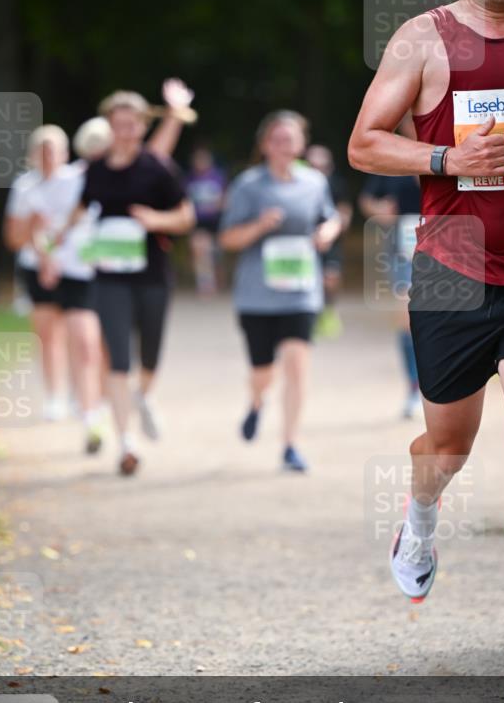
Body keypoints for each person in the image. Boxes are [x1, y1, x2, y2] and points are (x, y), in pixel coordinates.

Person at [348, 0, 504, 703]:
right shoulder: (422, 40)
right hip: (452, 266)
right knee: (447, 446)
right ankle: (423, 516)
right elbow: (365, 144)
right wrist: (444, 161)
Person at [61, 83, 196, 476]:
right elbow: (80, 210)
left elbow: (186, 217)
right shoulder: (97, 169)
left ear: (141, 125)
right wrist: (58, 241)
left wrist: (157, 220)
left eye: (132, 124)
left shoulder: (157, 168)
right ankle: (126, 443)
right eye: (118, 124)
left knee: (150, 354)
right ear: (108, 126)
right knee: (117, 357)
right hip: (108, 278)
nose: (125, 131)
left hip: (153, 275)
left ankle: (144, 395)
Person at [219, 111, 342, 473]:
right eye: (276, 139)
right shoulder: (248, 185)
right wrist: (259, 226)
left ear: (301, 144)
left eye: (290, 139)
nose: (283, 146)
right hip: (257, 295)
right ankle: (256, 402)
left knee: (297, 366)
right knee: (263, 372)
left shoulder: (314, 182)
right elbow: (227, 238)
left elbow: (330, 217)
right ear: (264, 145)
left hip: (301, 291)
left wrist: (328, 234)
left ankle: (290, 444)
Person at [4, 125, 97, 433]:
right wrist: (33, 230)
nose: (48, 157)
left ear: (65, 153)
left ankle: (81, 398)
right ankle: (54, 395)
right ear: (33, 155)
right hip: (37, 269)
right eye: (42, 151)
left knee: (80, 338)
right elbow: (13, 238)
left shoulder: (80, 180)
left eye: (54, 150)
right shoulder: (24, 187)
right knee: (47, 336)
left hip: (75, 269)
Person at [358, 173, 422, 418]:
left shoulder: (456, 143)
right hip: (403, 248)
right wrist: (378, 209)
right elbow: (367, 199)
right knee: (406, 313)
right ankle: (414, 387)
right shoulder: (395, 155)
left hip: (447, 237)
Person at [305, 144, 352, 338]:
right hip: (305, 240)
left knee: (330, 278)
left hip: (330, 239)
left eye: (322, 166)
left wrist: (337, 230)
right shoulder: (300, 184)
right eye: (313, 165)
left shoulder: (337, 183)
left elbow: (344, 210)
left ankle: (328, 309)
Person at [184, 146, 227, 296]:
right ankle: (205, 284)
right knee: (200, 251)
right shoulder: (189, 178)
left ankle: (219, 280)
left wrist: (215, 206)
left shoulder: (218, 177)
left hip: (216, 221)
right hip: (198, 222)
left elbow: (225, 198)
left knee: (216, 254)